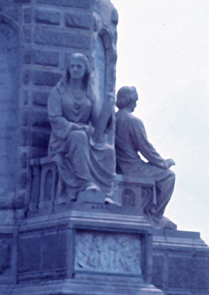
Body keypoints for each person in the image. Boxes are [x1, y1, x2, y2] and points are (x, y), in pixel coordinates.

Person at [47, 53, 115, 200]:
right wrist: (75, 128)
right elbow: (55, 118)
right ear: (68, 69)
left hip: (86, 137)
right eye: (73, 66)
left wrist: (108, 115)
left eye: (79, 66)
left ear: (85, 70)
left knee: (109, 151)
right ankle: (85, 184)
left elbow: (97, 123)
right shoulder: (58, 92)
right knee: (79, 137)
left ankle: (106, 192)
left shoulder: (90, 95)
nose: (76, 69)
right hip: (62, 139)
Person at [114, 86, 176, 223]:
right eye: (135, 99)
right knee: (169, 176)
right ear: (131, 100)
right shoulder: (133, 121)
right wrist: (164, 163)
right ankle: (155, 215)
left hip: (119, 165)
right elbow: (146, 149)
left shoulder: (114, 119)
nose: (136, 103)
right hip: (132, 167)